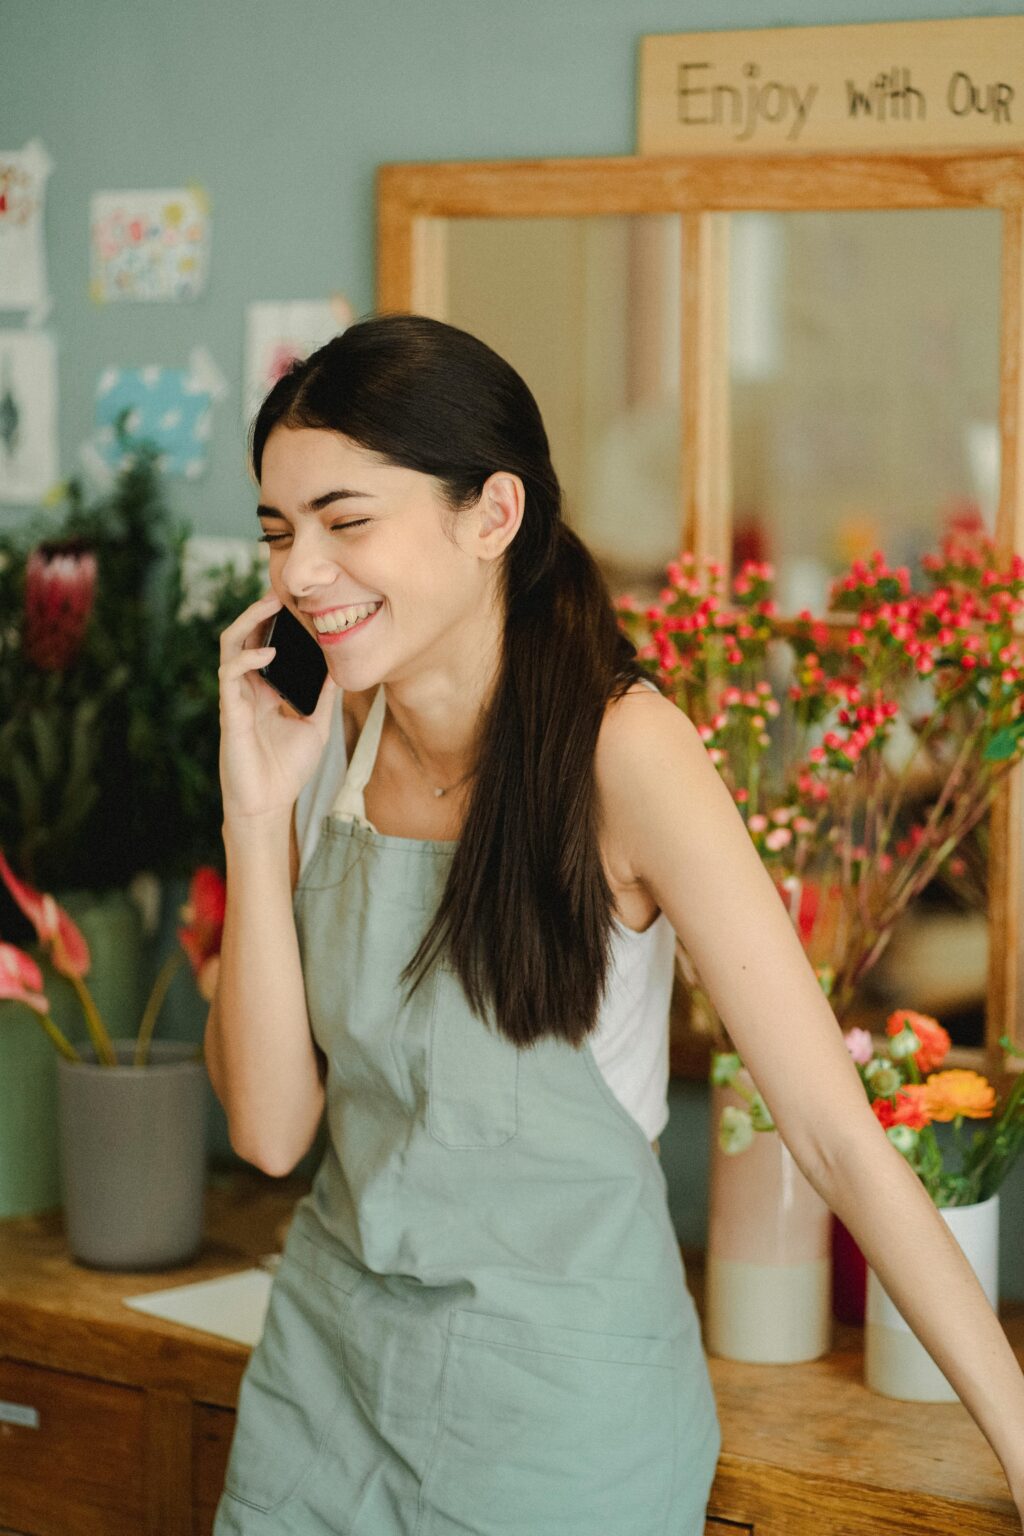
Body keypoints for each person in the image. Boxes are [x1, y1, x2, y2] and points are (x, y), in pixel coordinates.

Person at [206, 313, 1024, 1536]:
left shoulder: (623, 751)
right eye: (280, 531)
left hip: (560, 1410)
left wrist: (1016, 1436)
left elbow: (830, 1131)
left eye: (346, 520)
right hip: (325, 1384)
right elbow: (272, 1132)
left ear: (492, 515)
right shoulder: (319, 739)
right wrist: (253, 811)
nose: (300, 574)